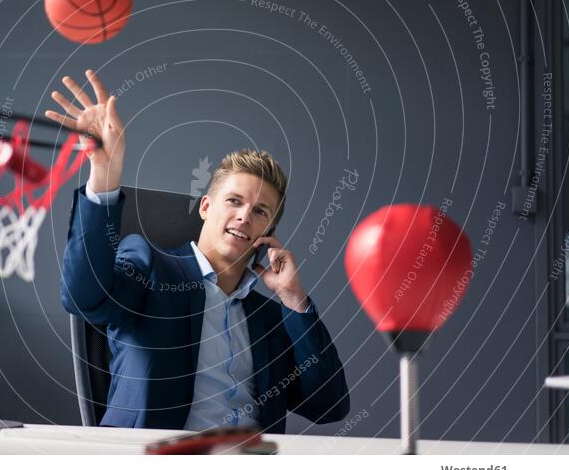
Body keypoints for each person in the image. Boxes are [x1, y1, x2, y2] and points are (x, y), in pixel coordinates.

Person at [47, 70, 349, 432]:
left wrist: (294, 300)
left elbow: (328, 405)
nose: (244, 216)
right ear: (206, 207)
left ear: (268, 230)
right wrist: (104, 175)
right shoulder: (150, 266)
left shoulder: (270, 318)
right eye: (234, 201)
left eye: (260, 212)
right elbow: (83, 298)